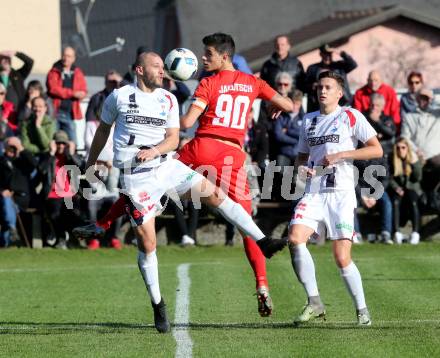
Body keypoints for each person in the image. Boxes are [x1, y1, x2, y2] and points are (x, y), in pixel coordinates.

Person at [80, 51, 288, 333]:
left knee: (215, 194)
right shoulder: (118, 97)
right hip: (136, 180)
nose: (162, 71)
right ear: (139, 70)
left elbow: (174, 138)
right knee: (149, 245)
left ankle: (263, 241)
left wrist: (155, 150)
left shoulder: (168, 98)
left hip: (165, 167)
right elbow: (103, 131)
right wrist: (91, 163)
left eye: (163, 67)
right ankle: (158, 304)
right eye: (156, 67)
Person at [288, 71, 383, 326]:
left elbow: (376, 148)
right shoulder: (309, 120)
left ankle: (362, 310)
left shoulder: (350, 115)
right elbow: (300, 157)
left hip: (341, 195)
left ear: (339, 93)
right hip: (314, 192)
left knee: (341, 257)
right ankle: (314, 301)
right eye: (320, 86)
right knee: (295, 238)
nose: (323, 90)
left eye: (329, 87)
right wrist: (302, 168)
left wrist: (342, 154)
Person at [39, 131, 83, 249]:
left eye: (63, 144)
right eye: (58, 143)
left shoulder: (70, 157)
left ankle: (74, 239)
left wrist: (72, 154)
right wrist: (51, 153)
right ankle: (61, 238)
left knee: (74, 213)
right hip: (53, 194)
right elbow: (41, 170)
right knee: (55, 214)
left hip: (70, 194)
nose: (61, 146)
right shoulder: (47, 156)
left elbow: (81, 167)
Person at [401, 88, 440, 193]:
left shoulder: (437, 114)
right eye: (421, 98)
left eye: (426, 99)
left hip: (435, 155)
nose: (424, 101)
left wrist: (434, 99)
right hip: (415, 154)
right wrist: (416, 150)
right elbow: (405, 137)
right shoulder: (409, 116)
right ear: (417, 99)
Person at [0, 137, 37, 247]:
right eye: (9, 147)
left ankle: (10, 235)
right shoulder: (1, 162)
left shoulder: (23, 162)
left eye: (14, 147)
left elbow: (35, 164)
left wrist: (20, 148)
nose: (11, 149)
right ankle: (11, 230)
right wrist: (1, 191)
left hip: (22, 197)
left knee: (7, 207)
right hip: (4, 198)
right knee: (6, 202)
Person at [46, 46, 87, 143]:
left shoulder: (78, 72)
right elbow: (53, 89)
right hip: (54, 113)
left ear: (73, 58)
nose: (66, 58)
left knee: (72, 142)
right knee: (53, 141)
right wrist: (73, 93)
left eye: (69, 56)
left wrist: (81, 94)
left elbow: (83, 90)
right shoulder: (54, 71)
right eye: (64, 55)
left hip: (70, 113)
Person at [389, 137, 423, 245]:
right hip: (399, 189)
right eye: (398, 148)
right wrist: (396, 188)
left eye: (403, 147)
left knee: (413, 202)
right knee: (395, 202)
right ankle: (397, 233)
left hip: (412, 188)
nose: (400, 150)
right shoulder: (392, 159)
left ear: (407, 148)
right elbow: (389, 177)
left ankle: (415, 233)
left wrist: (414, 163)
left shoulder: (413, 159)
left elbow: (417, 178)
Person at [305, 44, 357, 112]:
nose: (327, 57)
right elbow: (304, 86)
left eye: (329, 54)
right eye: (325, 54)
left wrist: (338, 52)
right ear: (320, 54)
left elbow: (353, 64)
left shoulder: (339, 66)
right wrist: (313, 85)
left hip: (342, 102)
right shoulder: (313, 69)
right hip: (319, 105)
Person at [363, 93, 396, 158]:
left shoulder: (387, 118)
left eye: (377, 105)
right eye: (372, 105)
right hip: (367, 153)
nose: (374, 108)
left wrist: (378, 121)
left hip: (384, 153)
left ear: (382, 107)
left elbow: (391, 133)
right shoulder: (363, 117)